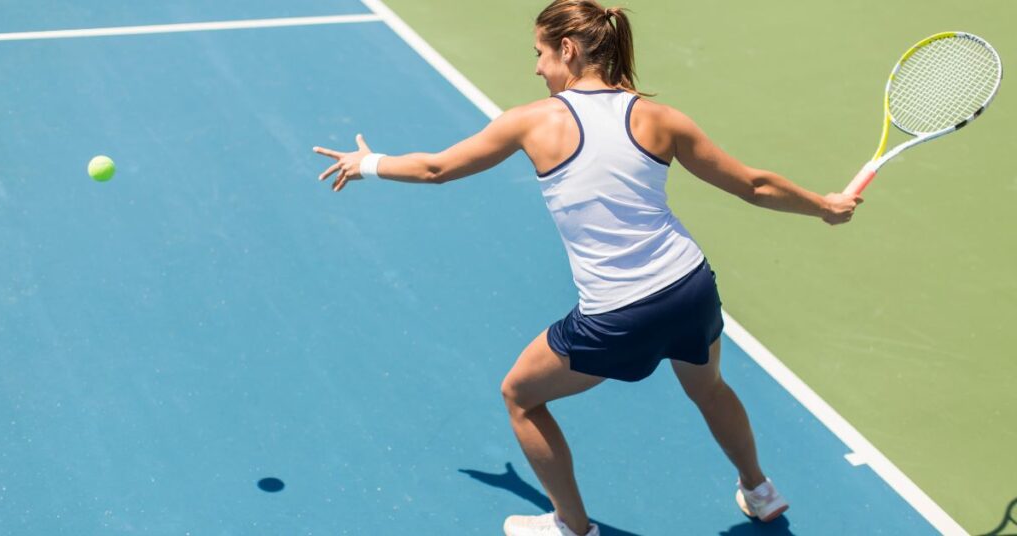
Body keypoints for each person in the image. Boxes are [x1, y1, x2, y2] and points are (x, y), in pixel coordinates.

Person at [313, 1, 861, 534]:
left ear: (568, 49)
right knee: (709, 387)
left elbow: (436, 169)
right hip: (690, 287)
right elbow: (754, 185)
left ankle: (573, 527)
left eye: (540, 53)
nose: (536, 67)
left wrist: (369, 164)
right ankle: (760, 489)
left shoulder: (534, 122)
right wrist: (825, 206)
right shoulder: (658, 117)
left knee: (520, 397)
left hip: (619, 313)